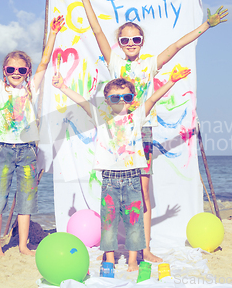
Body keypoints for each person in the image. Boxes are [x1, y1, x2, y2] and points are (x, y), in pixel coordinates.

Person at [77, 0, 228, 262]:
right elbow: (97, 30)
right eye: (125, 40)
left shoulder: (148, 65)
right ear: (119, 44)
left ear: (142, 42)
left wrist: (205, 26)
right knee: (112, 191)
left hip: (142, 131)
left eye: (136, 39)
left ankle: (144, 248)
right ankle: (109, 248)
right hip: (114, 135)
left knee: (142, 191)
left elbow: (175, 46)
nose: (131, 43)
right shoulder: (114, 63)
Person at [52, 65, 191, 271]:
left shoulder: (137, 117)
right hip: (109, 179)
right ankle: (109, 258)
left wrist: (172, 80)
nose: (121, 102)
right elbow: (82, 103)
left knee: (134, 222)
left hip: (133, 177)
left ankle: (133, 261)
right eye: (115, 98)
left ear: (133, 99)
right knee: (109, 223)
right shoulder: (101, 117)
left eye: (126, 97)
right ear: (107, 101)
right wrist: (63, 86)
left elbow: (153, 99)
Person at [0, 13, 64, 257]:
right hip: (4, 150)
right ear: (5, 71)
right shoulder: (0, 90)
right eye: (11, 68)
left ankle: (23, 245)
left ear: (27, 72)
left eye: (21, 69)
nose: (16, 72)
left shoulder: (31, 89)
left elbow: (45, 61)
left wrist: (54, 33)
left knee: (26, 201)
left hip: (28, 151)